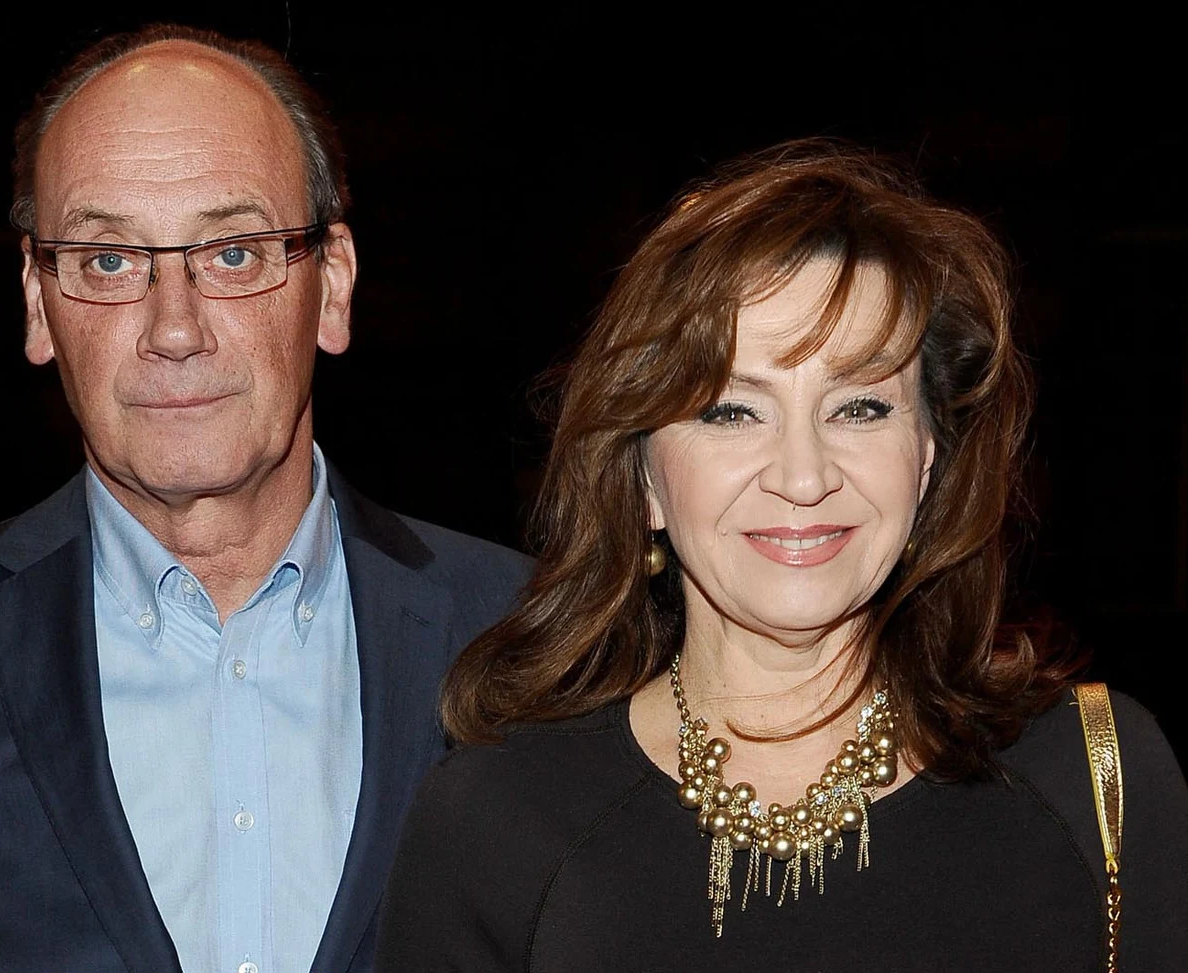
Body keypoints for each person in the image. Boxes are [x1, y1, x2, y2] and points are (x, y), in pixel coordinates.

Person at [376, 142, 1188, 972]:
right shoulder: (495, 823)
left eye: (859, 407)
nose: (804, 477)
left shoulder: (1097, 779)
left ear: (927, 460)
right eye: (732, 412)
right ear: (645, 478)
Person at [0, 24, 529, 973]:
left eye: (233, 253)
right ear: (37, 301)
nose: (175, 328)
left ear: (332, 286)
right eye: (109, 261)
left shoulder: (538, 639)